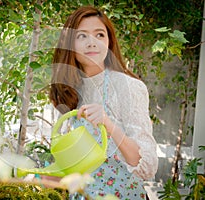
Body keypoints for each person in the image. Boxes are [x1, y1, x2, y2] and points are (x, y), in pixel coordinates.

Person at [49, 6, 158, 199]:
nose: (92, 43)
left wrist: (109, 124)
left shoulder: (129, 87)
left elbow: (147, 166)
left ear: (108, 42)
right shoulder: (70, 92)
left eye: (99, 35)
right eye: (82, 36)